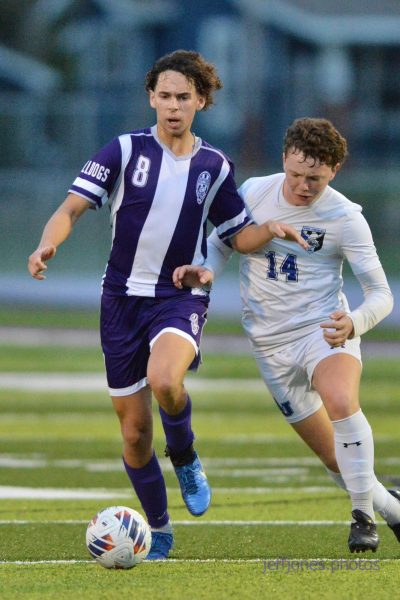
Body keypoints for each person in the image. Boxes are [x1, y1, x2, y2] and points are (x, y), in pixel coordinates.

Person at [28, 50, 308, 560]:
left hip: (179, 296)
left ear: (201, 101)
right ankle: (157, 529)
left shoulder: (214, 166)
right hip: (120, 302)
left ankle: (184, 454)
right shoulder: (122, 151)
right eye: (165, 96)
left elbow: (237, 236)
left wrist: (266, 230)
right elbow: (70, 208)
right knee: (134, 435)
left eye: (184, 97)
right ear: (151, 98)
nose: (173, 106)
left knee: (166, 380)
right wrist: (49, 243)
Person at [173, 117, 400, 554]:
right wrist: (206, 272)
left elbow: (381, 294)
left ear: (333, 171)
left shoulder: (346, 218)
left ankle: (362, 518)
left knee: (340, 401)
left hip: (323, 331)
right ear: (284, 160)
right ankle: (393, 510)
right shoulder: (256, 191)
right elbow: (222, 242)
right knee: (336, 459)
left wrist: (354, 322)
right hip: (269, 345)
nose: (301, 186)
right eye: (295, 174)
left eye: (314, 178)